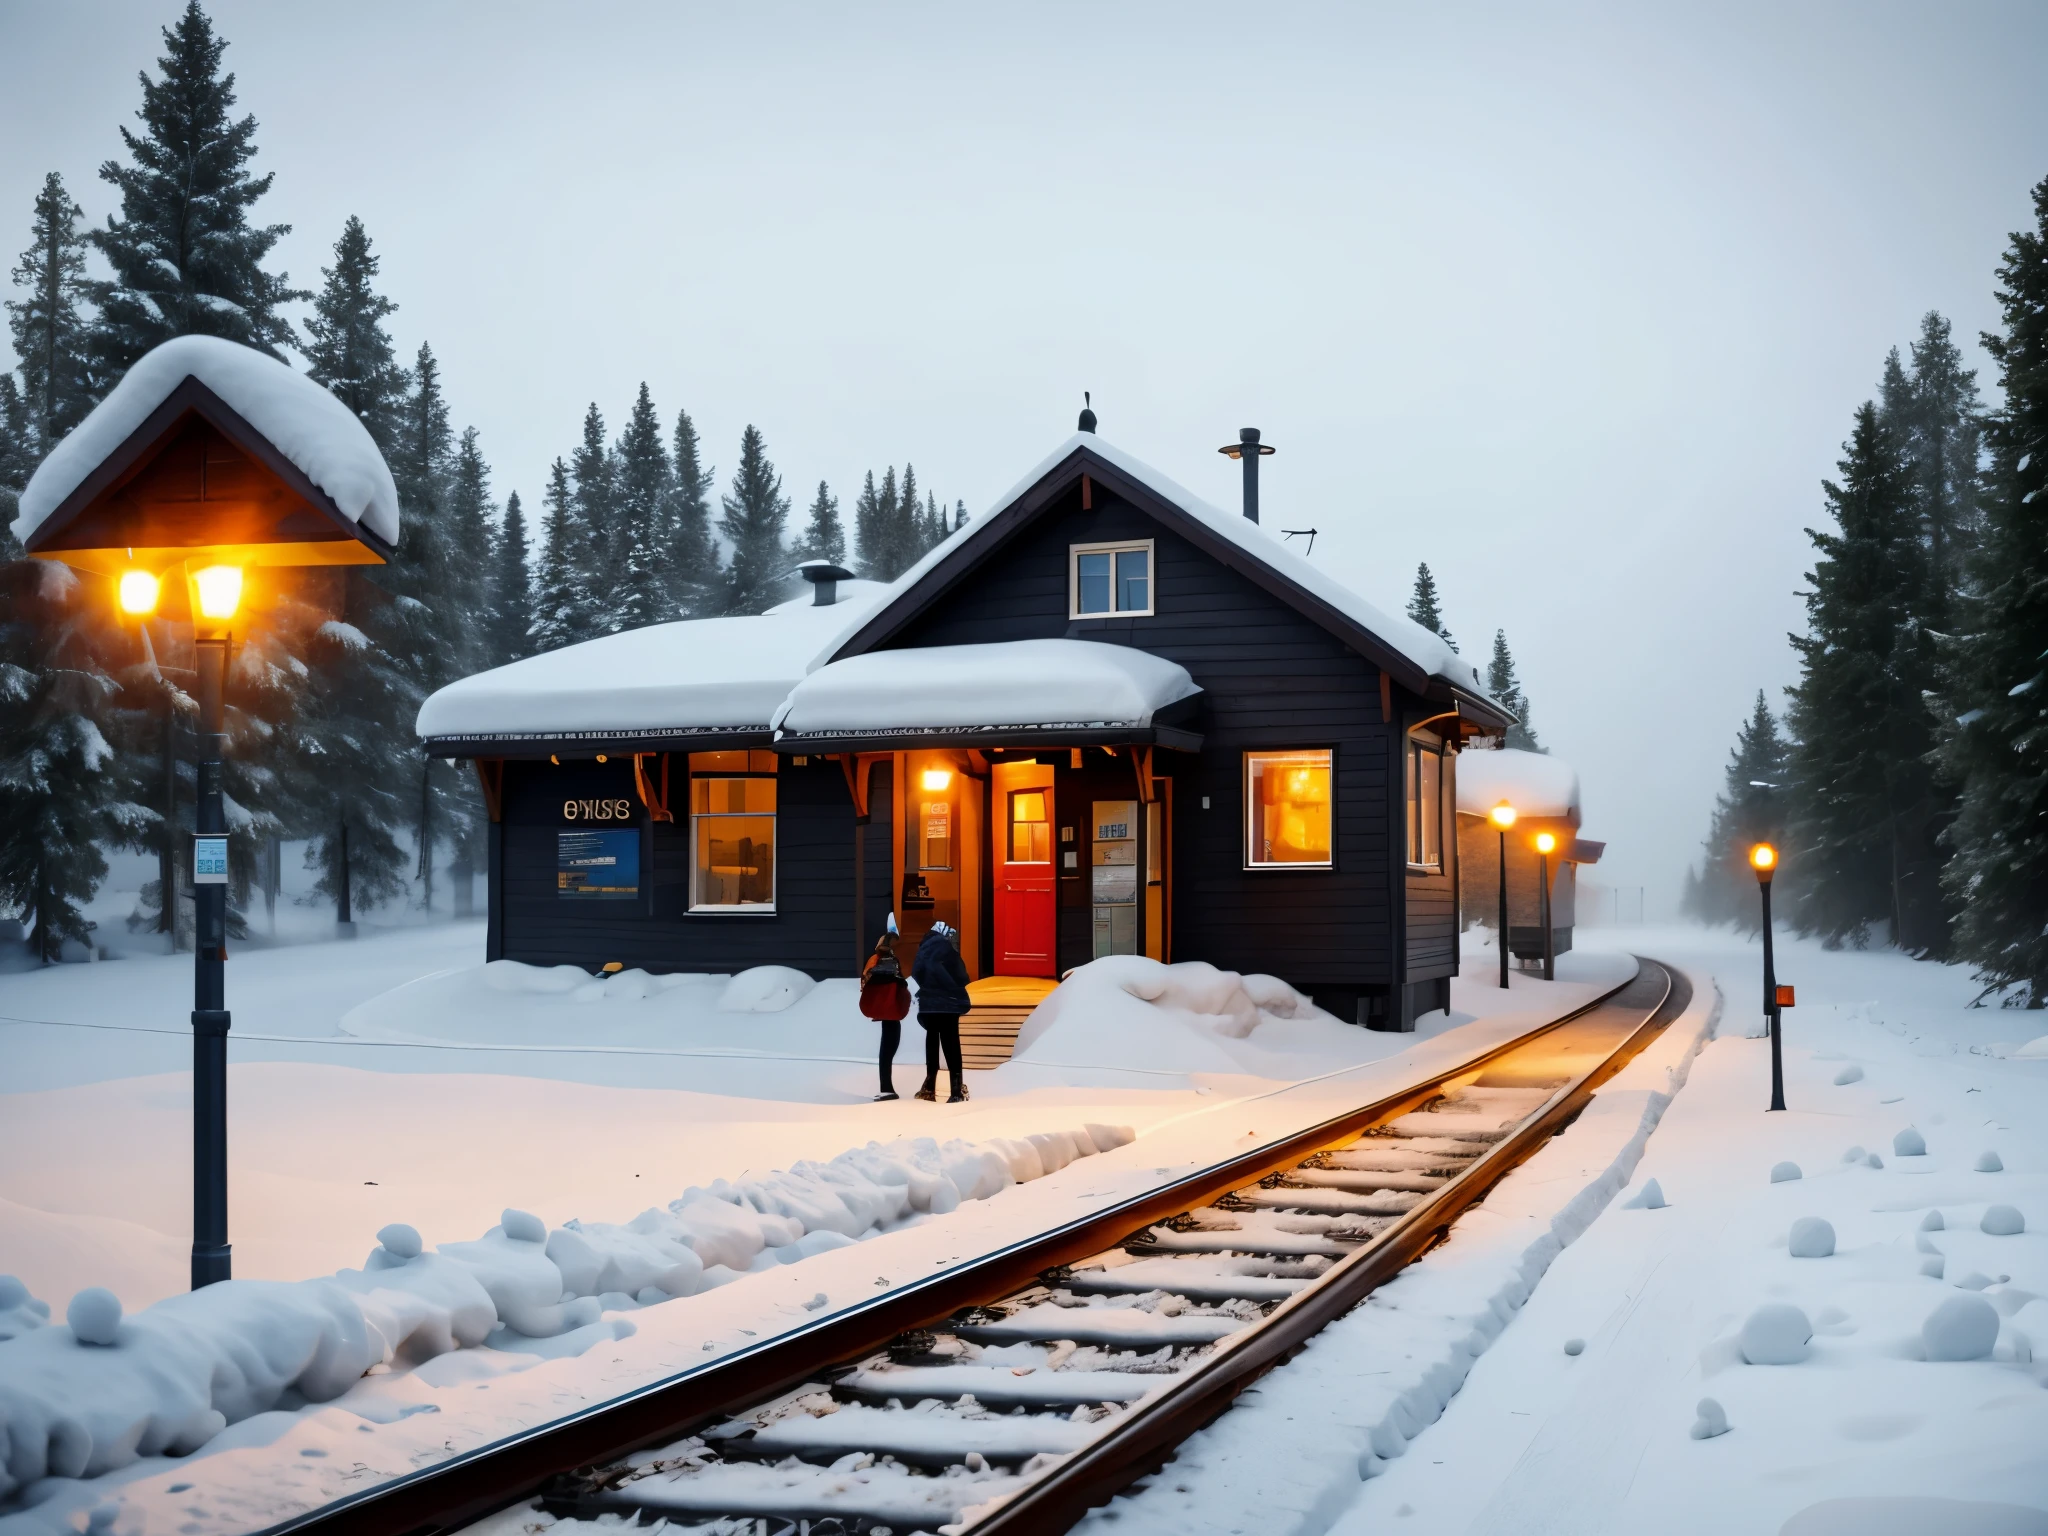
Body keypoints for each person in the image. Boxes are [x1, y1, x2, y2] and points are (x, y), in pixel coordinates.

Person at [910, 919, 973, 1103]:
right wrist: (951, 986)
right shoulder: (947, 950)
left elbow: (916, 973)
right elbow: (962, 976)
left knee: (932, 1040)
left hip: (929, 1003)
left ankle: (929, 1087)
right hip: (949, 1002)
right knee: (951, 1042)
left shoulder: (923, 950)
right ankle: (956, 1091)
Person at [859, 914, 911, 1101]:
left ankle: (886, 1086)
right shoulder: (895, 961)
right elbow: (903, 984)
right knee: (889, 1047)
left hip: (881, 1009)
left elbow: (864, 981)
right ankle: (887, 1087)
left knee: (885, 1049)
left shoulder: (874, 960)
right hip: (894, 1010)